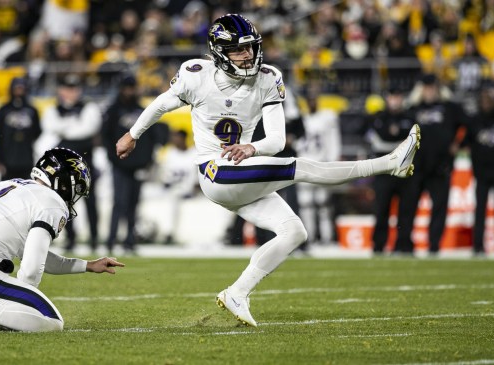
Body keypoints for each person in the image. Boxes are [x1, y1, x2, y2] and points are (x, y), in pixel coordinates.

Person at [115, 13, 421, 327]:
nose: (247, 55)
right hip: (214, 172)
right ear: (220, 51)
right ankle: (388, 163)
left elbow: (276, 139)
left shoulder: (268, 77)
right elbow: (162, 104)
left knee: (294, 231)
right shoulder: (196, 75)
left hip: (243, 170)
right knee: (299, 167)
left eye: (250, 47)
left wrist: (252, 147)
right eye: (238, 49)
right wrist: (132, 135)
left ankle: (237, 293)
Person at [0, 147, 125, 332]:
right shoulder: (52, 203)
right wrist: (20, 308)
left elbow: (37, 254)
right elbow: (31, 270)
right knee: (51, 321)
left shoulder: (10, 185)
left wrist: (88, 265)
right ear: (65, 183)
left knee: (10, 275)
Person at [398, 73, 466, 256]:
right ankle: (405, 245)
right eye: (426, 88)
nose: (429, 91)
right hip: (416, 166)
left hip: (441, 166)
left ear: (437, 89)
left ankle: (434, 245)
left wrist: (458, 145)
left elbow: (469, 125)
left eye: (432, 87)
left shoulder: (450, 108)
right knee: (408, 206)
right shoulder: (413, 108)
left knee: (439, 208)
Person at [102, 75, 167, 255]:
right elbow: (106, 137)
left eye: (132, 88)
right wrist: (113, 159)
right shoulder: (113, 111)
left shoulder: (142, 111)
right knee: (119, 203)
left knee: (133, 204)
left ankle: (129, 241)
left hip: (138, 166)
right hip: (119, 164)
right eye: (127, 88)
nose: (130, 92)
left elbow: (154, 137)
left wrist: (146, 161)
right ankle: (111, 240)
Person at [39, 74, 102, 253]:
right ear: (60, 90)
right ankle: (70, 238)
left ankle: (94, 238)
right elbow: (49, 126)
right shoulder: (53, 109)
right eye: (67, 89)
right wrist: (73, 125)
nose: (71, 93)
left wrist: (64, 128)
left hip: (85, 162)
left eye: (74, 89)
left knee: (91, 201)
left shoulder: (89, 107)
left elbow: (88, 128)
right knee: (66, 202)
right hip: (64, 163)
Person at [365, 84, 418, 254]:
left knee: (406, 210)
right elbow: (378, 139)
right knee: (381, 209)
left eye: (397, 97)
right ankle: (379, 245)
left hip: (404, 171)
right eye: (392, 97)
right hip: (384, 172)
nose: (395, 101)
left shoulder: (410, 117)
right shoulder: (379, 117)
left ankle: (404, 245)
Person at [462, 81, 494, 256]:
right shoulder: (474, 120)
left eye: (489, 98)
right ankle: (478, 246)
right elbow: (464, 143)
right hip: (481, 172)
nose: (486, 102)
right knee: (480, 209)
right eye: (483, 98)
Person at [295, 89, 341, 245]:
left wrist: (332, 161)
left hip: (321, 163)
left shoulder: (326, 118)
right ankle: (310, 238)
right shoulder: (302, 119)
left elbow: (333, 141)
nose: (312, 103)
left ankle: (326, 237)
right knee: (306, 203)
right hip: (305, 163)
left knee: (323, 203)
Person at [0, 77, 42, 180]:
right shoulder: (3, 110)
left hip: (27, 159)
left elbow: (38, 134)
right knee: (7, 190)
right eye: (16, 88)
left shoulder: (32, 110)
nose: (19, 91)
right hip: (8, 160)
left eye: (21, 88)